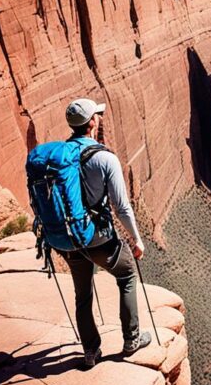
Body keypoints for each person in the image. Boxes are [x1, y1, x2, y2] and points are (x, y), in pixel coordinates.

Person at [61, 97, 151, 369]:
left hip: (70, 239)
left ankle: (90, 351)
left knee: (83, 294)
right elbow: (122, 207)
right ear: (91, 123)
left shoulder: (60, 156)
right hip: (98, 238)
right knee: (126, 275)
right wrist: (137, 239)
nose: (99, 118)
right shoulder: (104, 158)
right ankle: (131, 340)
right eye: (96, 116)